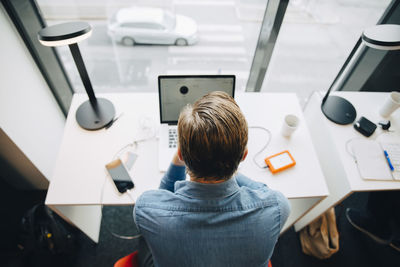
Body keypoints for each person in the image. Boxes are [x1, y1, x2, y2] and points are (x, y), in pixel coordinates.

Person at [133, 91, 291, 266]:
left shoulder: (146, 209)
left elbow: (163, 196)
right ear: (244, 155)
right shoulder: (277, 207)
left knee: (145, 239)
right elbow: (263, 191)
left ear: (181, 155)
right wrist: (228, 162)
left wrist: (179, 159)